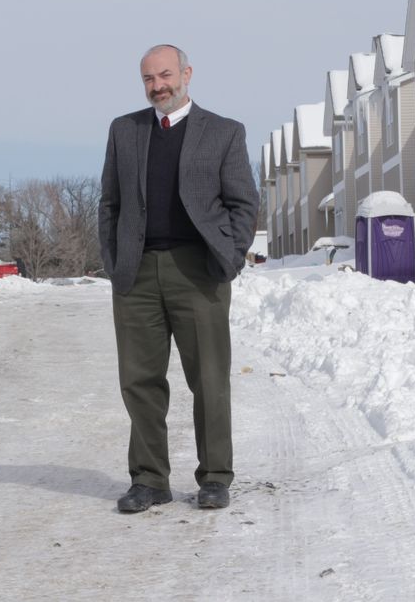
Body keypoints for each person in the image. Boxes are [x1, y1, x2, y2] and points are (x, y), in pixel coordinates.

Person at [98, 44, 259, 513]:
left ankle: (215, 477)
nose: (158, 86)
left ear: (187, 74)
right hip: (137, 273)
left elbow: (244, 203)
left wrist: (229, 257)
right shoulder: (124, 130)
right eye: (149, 79)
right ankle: (149, 480)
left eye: (165, 75)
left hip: (199, 272)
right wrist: (115, 263)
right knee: (139, 381)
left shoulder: (224, 132)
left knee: (209, 379)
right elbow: (109, 204)